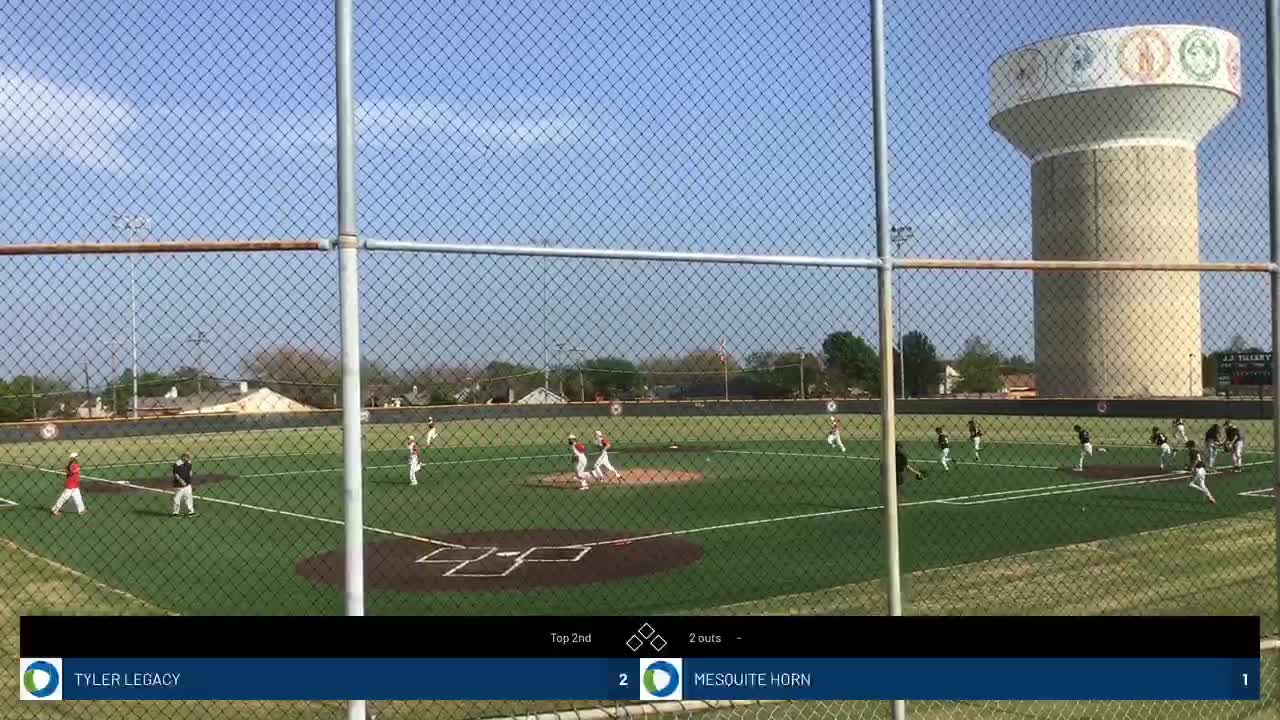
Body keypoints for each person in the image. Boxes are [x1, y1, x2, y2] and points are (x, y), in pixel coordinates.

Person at [51, 451, 86, 517]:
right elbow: (71, 471)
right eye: (76, 457)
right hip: (71, 485)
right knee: (64, 498)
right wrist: (77, 470)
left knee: (78, 497)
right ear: (74, 457)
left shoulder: (72, 463)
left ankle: (82, 510)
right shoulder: (73, 464)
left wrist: (62, 470)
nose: (77, 458)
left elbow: (67, 469)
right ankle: (54, 510)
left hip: (75, 485)